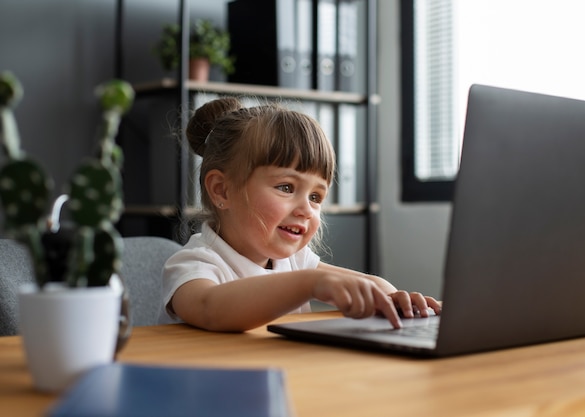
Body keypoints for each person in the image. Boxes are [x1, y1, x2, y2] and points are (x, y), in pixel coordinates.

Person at [159, 97, 441, 332]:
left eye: (316, 196)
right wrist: (310, 284)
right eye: (286, 187)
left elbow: (367, 283)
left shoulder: (294, 262)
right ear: (222, 191)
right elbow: (211, 308)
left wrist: (390, 295)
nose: (306, 209)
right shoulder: (193, 263)